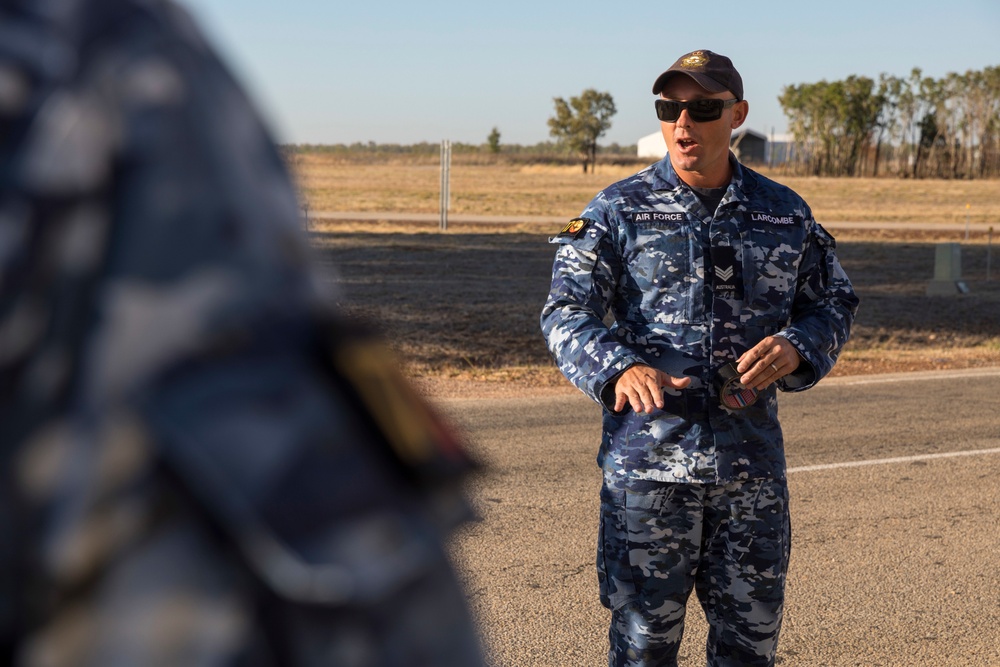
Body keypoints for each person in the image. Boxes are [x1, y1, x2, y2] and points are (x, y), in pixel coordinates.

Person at [0, 1, 483, 665]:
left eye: (688, 107)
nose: (683, 125)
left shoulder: (87, 51)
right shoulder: (95, 51)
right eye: (671, 108)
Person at [540, 50, 859, 666]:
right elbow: (565, 311)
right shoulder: (618, 209)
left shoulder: (783, 212)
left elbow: (834, 301)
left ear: (737, 114)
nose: (683, 124)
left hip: (750, 475)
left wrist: (799, 347)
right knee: (643, 651)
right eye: (669, 108)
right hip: (649, 473)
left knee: (749, 650)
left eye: (703, 108)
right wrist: (617, 367)